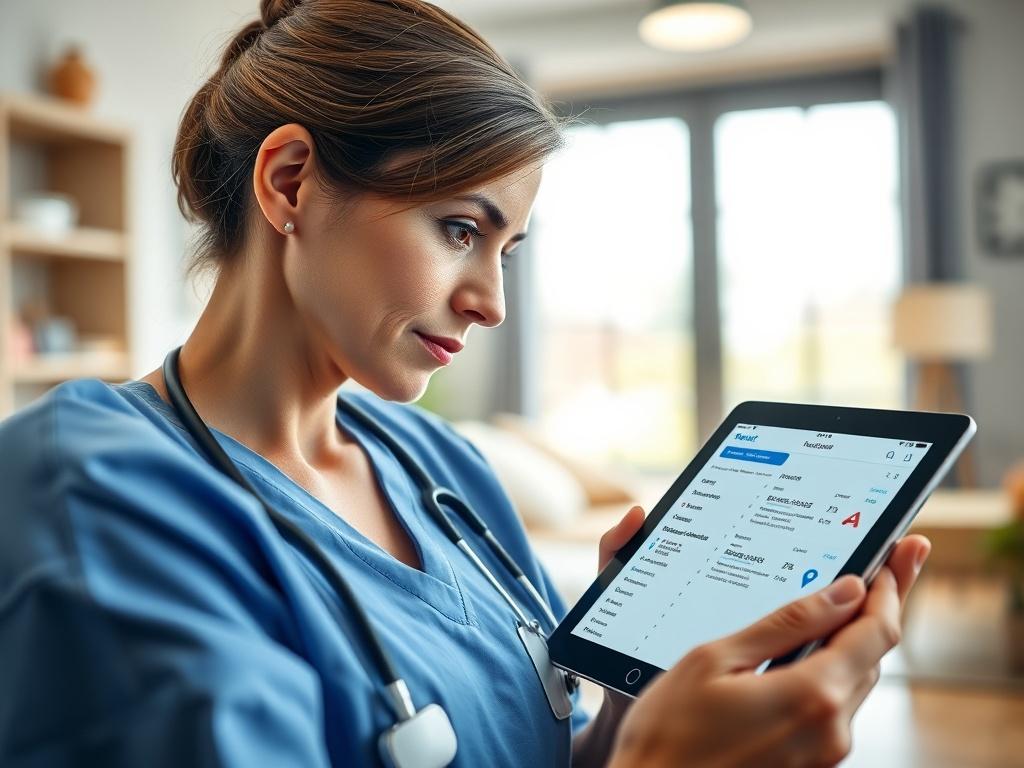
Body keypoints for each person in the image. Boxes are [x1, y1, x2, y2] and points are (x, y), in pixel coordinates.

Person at [0, 0, 931, 766]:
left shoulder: (444, 467)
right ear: (288, 183)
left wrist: (637, 719)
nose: (491, 302)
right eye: (459, 230)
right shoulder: (86, 485)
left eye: (506, 250)